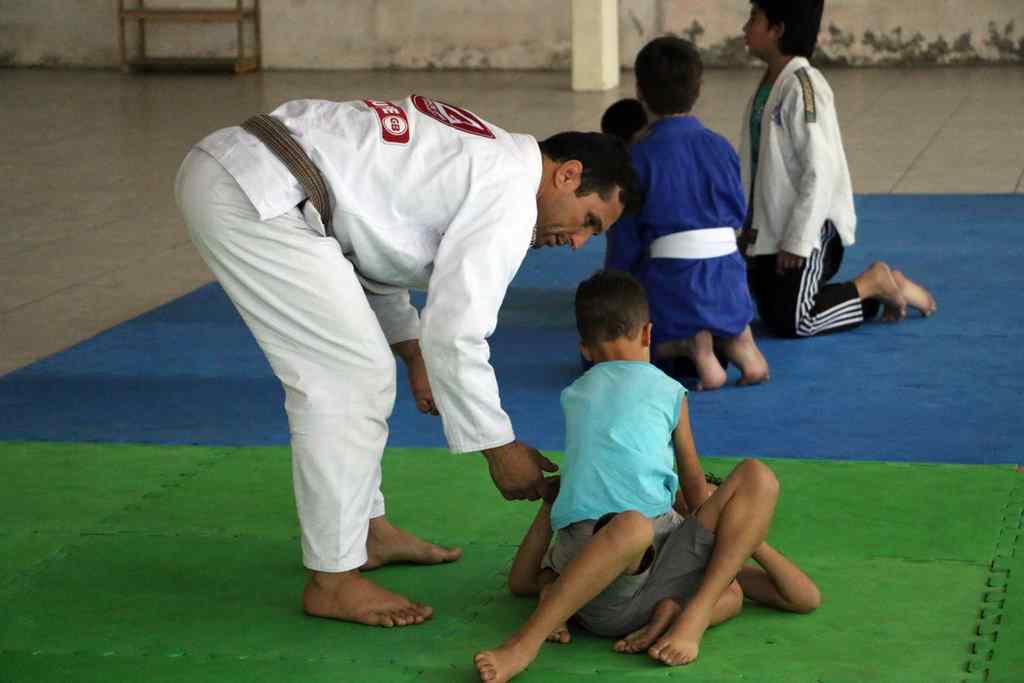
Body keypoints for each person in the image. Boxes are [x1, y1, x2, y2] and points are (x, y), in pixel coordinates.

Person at [175, 95, 636, 628]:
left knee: (362, 370)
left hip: (254, 177)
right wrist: (499, 447)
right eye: (590, 222)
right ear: (568, 175)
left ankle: (367, 532)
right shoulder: (511, 192)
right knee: (347, 379)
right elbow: (458, 330)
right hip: (255, 193)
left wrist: (411, 349)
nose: (578, 242)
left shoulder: (489, 158)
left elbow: (370, 244)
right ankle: (332, 581)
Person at [474, 271, 816, 682]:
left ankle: (690, 616)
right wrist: (711, 509)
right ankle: (524, 643)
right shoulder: (669, 391)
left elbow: (804, 597)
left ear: (584, 348)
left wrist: (736, 531)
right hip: (603, 578)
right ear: (648, 332)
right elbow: (692, 485)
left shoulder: (575, 394)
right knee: (638, 522)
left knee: (746, 500)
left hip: (640, 583)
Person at [740, 0, 936, 338]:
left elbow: (821, 170)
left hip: (813, 230)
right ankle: (883, 291)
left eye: (754, 18)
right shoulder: (770, 84)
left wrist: (799, 239)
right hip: (770, 230)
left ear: (778, 29)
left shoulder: (804, 86)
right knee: (775, 314)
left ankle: (872, 281)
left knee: (797, 320)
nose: (745, 27)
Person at [605, 38, 769, 390]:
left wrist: (614, 294)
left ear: (639, 91)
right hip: (731, 285)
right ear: (699, 88)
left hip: (674, 290)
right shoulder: (720, 146)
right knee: (727, 320)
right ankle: (743, 347)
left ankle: (696, 351)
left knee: (605, 352)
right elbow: (738, 215)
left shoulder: (639, 158)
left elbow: (625, 245)